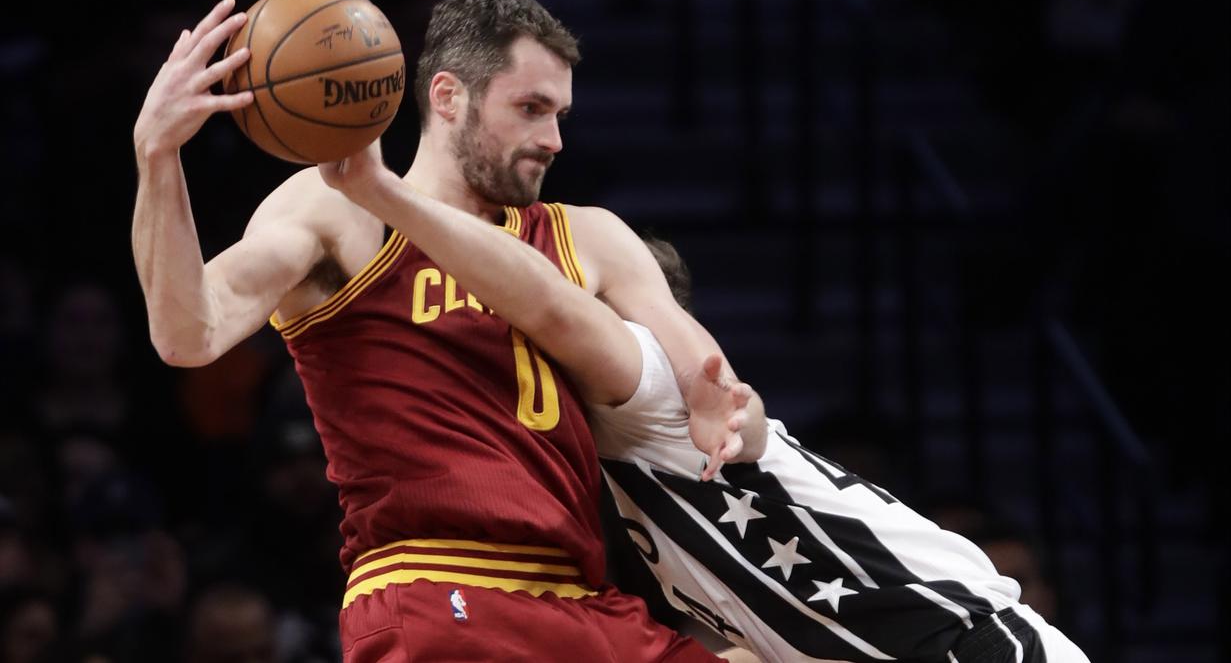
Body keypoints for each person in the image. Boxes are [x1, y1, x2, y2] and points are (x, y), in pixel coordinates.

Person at [132, 0, 761, 661]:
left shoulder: (590, 238)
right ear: (447, 97)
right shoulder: (339, 210)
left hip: (577, 595)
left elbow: (732, 409)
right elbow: (186, 334)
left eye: (560, 115)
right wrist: (157, 156)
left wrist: (733, 418)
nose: (552, 139)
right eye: (529, 109)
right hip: (434, 581)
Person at [316, 151, 1093, 662]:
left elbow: (547, 304)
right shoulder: (590, 459)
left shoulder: (648, 380)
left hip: (965, 641)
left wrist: (382, 196)